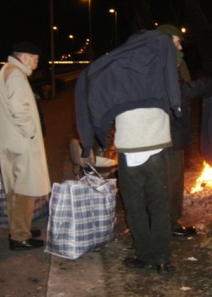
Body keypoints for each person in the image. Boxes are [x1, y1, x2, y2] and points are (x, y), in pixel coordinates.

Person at [75, 29, 182, 273]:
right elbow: (176, 92)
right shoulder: (162, 61)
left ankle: (145, 255)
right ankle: (164, 259)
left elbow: (95, 85)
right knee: (159, 203)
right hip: (158, 145)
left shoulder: (118, 66)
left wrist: (93, 134)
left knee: (134, 206)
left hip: (130, 146)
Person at [157, 24, 212, 237]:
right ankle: (168, 225)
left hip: (170, 129)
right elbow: (181, 92)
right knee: (171, 179)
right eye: (177, 42)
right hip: (168, 131)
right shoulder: (163, 65)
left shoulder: (167, 62)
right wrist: (211, 82)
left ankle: (167, 222)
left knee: (171, 178)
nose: (180, 47)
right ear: (167, 41)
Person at [0, 42, 51, 250]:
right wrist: (32, 133)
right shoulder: (16, 75)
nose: (36, 64)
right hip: (21, 142)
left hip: (11, 141)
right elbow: (20, 111)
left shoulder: (5, 72)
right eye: (35, 59)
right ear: (25, 57)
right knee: (24, 191)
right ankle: (19, 237)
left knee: (16, 190)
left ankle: (20, 229)